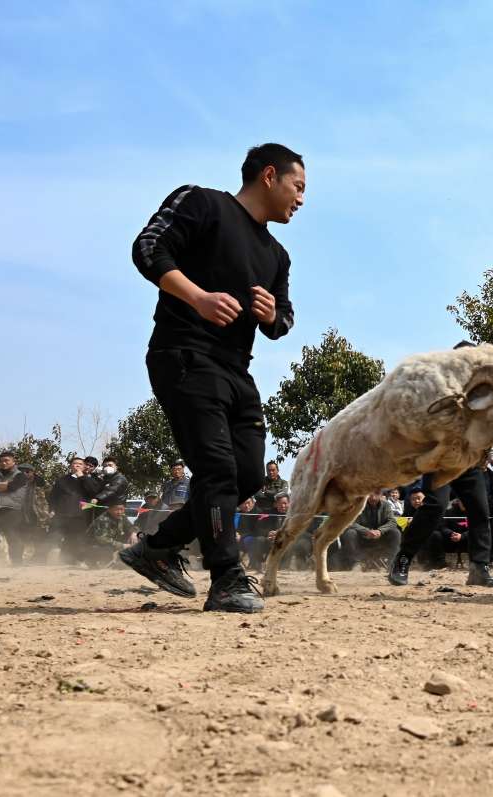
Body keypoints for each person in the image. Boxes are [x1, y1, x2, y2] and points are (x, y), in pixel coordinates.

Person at [120, 143, 305, 613]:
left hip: (236, 369)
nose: (301, 199)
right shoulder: (202, 202)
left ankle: (157, 548)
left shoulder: (277, 255)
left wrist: (271, 316)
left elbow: (284, 319)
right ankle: (226, 578)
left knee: (244, 475)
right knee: (217, 469)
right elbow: (147, 248)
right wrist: (198, 297)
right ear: (269, 175)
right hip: (183, 353)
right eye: (297, 186)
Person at [389, 339, 493, 589]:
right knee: (435, 506)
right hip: (441, 460)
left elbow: (487, 425)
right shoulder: (438, 386)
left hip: (469, 461)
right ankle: (403, 558)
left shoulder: (482, 391)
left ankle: (479, 568)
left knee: (480, 511)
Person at [0, 451, 33, 566]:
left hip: (12, 511)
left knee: (13, 537)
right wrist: (4, 485)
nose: (3, 463)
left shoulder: (20, 475)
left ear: (13, 462)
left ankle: (17, 564)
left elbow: (13, 486)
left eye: (6, 461)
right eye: (1, 461)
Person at [338, 490, 402, 570]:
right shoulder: (357, 505)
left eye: (377, 493)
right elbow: (350, 522)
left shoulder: (386, 505)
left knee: (395, 532)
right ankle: (355, 563)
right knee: (350, 533)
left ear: (381, 494)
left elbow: (392, 521)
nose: (373, 496)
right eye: (370, 493)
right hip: (361, 536)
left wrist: (380, 531)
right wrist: (366, 531)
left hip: (380, 536)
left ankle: (392, 563)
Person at [49, 456, 91, 563]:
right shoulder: (61, 480)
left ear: (84, 467)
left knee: (77, 539)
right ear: (70, 466)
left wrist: (82, 477)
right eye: (74, 463)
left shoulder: (88, 480)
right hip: (62, 514)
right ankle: (56, 561)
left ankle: (76, 561)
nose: (77, 465)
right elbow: (53, 496)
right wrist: (52, 509)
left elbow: (93, 491)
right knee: (56, 537)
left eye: (80, 464)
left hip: (80, 516)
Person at [84, 499, 138, 567]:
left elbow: (131, 527)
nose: (119, 512)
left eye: (121, 509)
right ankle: (92, 560)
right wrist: (122, 546)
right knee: (107, 551)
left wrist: (134, 533)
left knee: (138, 538)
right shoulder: (103, 520)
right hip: (94, 546)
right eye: (116, 509)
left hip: (111, 544)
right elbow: (102, 540)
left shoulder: (122, 517)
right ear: (109, 509)